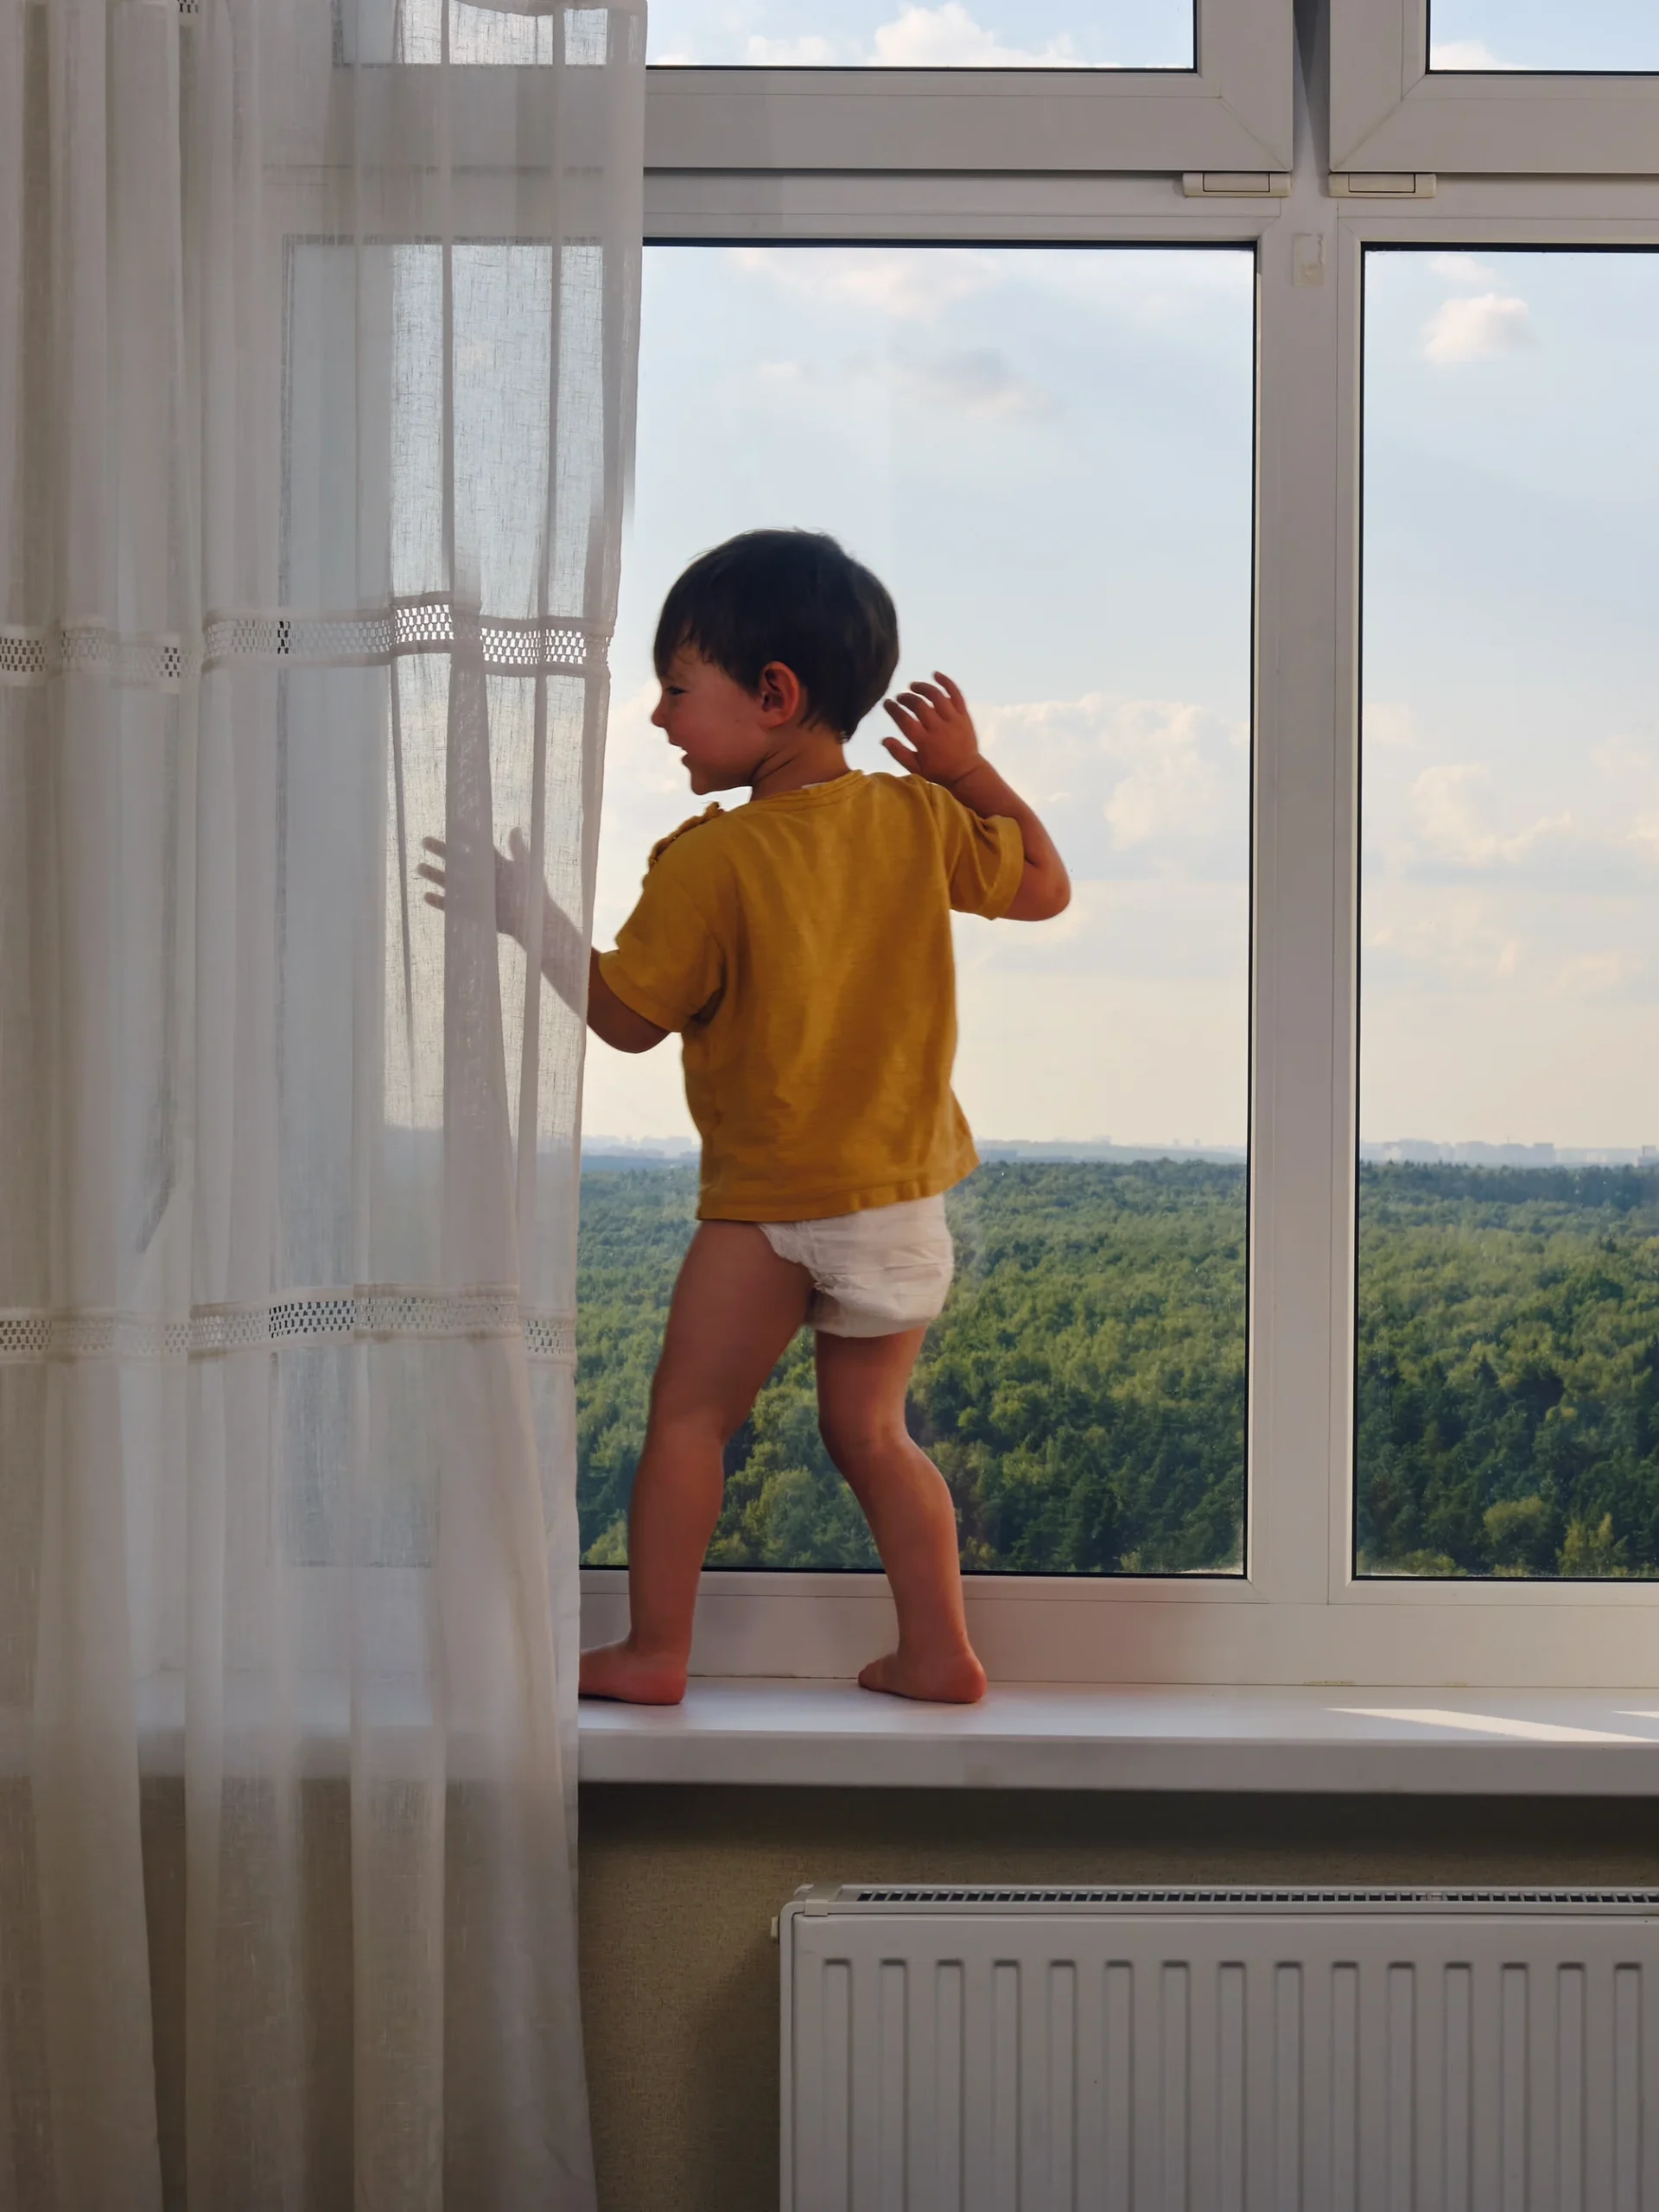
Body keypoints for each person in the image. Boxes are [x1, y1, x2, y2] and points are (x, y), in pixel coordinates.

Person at [420, 529, 1069, 1704]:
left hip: (770, 1206)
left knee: (689, 1421)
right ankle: (939, 1652)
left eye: (677, 689)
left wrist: (529, 918)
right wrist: (970, 771)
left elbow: (626, 1020)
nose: (662, 719)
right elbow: (1043, 888)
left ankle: (656, 1651)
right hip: (901, 1200)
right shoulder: (916, 820)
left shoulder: (712, 864)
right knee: (876, 1437)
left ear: (773, 695)